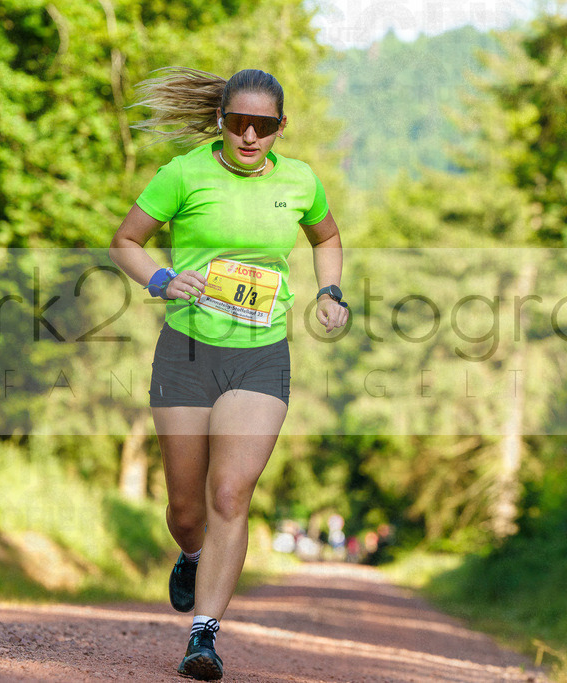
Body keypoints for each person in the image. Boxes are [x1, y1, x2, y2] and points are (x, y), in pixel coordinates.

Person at [108, 67, 349, 681]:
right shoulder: (183, 174)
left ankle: (204, 635)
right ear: (220, 120)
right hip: (187, 352)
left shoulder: (300, 181)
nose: (249, 136)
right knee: (187, 509)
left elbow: (326, 236)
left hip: (261, 355)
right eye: (238, 122)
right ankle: (192, 553)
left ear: (280, 128)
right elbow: (125, 240)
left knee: (230, 493)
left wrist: (330, 291)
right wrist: (161, 279)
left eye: (262, 126)